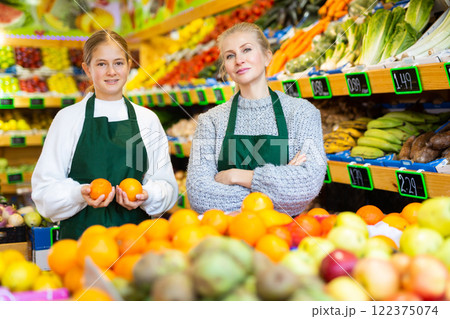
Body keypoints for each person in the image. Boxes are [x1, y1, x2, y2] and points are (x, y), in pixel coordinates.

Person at [32, 30, 178, 239]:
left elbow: (167, 188)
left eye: (118, 63)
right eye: (101, 64)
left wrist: (147, 195)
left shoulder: (147, 120)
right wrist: (77, 194)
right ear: (87, 69)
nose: (111, 71)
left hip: (135, 244)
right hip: (80, 244)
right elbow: (43, 193)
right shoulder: (67, 119)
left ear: (129, 65)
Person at [186, 23, 327, 216]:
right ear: (225, 67)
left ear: (268, 56)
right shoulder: (210, 121)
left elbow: (306, 185)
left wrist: (237, 176)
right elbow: (199, 195)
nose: (239, 60)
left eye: (246, 50)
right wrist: (282, 183)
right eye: (230, 55)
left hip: (283, 236)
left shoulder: (302, 113)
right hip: (227, 236)